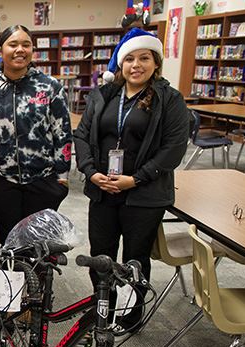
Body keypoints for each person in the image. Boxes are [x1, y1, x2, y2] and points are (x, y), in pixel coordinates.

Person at [74, 28, 189, 331]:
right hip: (102, 189)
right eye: (129, 59)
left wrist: (135, 179)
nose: (136, 65)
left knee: (135, 258)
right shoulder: (104, 95)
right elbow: (82, 135)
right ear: (120, 64)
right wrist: (90, 171)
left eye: (144, 58)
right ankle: (103, 308)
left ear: (155, 63)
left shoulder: (170, 99)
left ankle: (129, 316)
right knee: (101, 255)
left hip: (143, 193)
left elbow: (173, 148)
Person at [0, 25, 72, 244]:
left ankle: (37, 279)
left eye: (26, 44)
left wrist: (61, 179)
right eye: (13, 44)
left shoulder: (49, 87)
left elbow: (62, 132)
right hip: (1, 183)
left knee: (41, 247)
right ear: (0, 50)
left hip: (43, 182)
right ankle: (12, 278)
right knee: (10, 244)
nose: (20, 50)